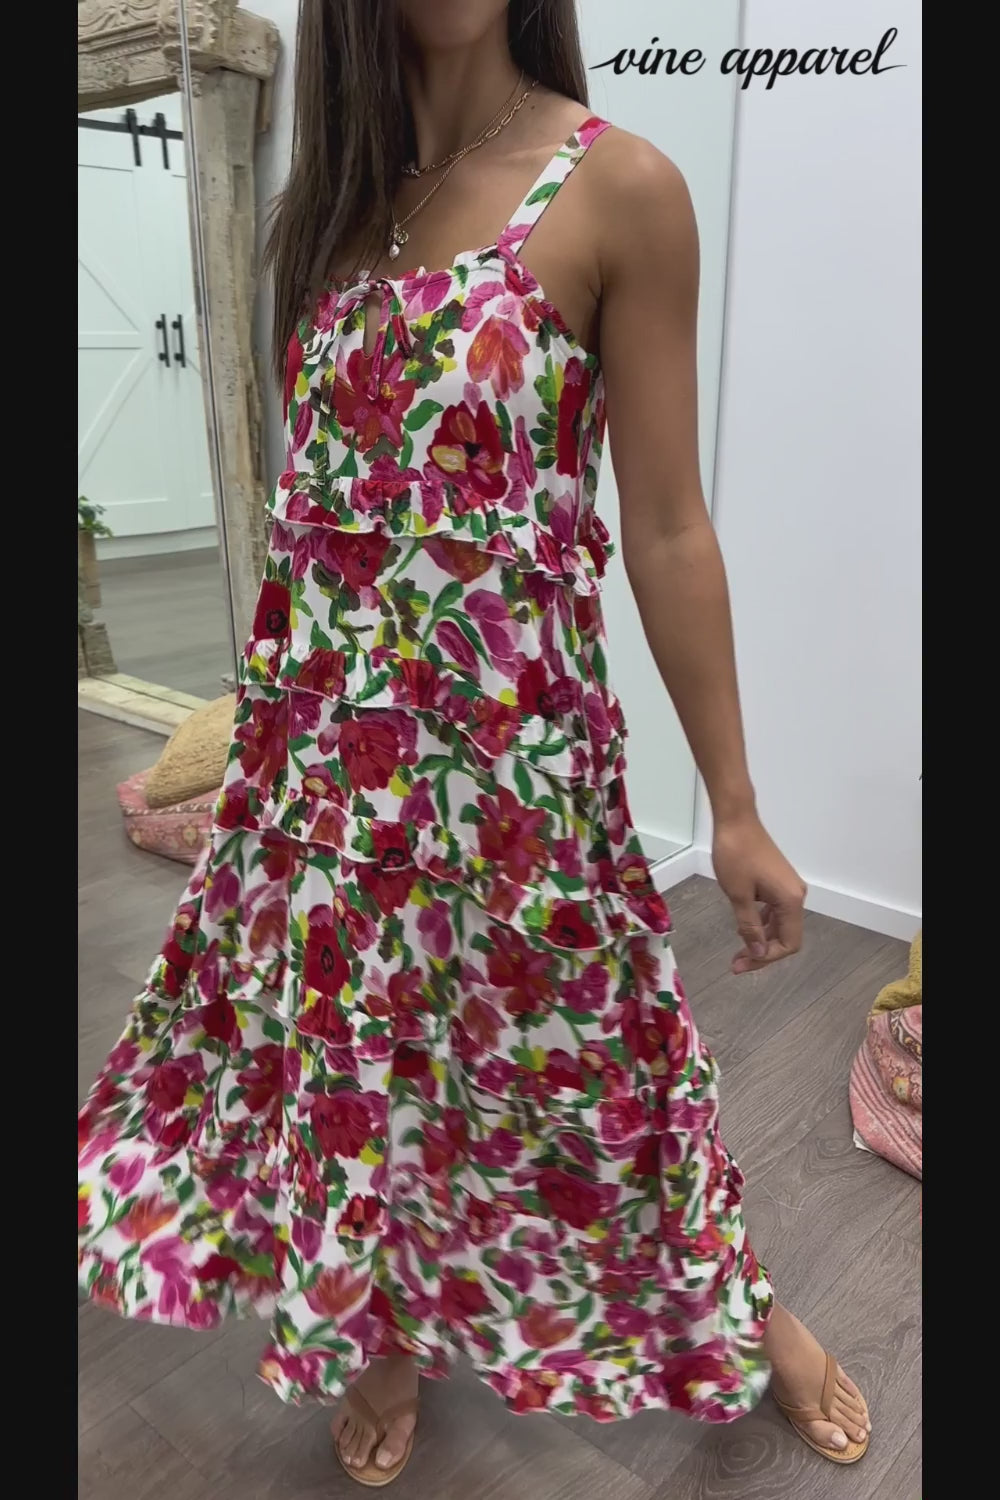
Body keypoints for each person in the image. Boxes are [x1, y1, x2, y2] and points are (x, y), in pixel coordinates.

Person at [78, 0, 871, 1486]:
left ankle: (749, 1313)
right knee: (356, 1061)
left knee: (593, 1067)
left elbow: (668, 524)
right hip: (327, 767)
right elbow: (320, 519)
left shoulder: (618, 187)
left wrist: (736, 802)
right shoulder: (328, 214)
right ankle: (383, 1326)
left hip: (515, 777)